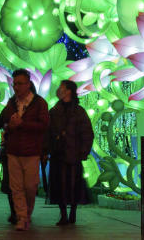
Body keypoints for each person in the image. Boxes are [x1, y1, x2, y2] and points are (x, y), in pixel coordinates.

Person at [0, 69, 49, 231]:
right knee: (16, 187)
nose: (16, 87)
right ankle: (22, 217)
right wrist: (9, 125)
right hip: (13, 150)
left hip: (31, 151)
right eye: (14, 84)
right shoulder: (12, 102)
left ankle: (27, 213)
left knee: (30, 187)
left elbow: (44, 125)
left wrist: (23, 124)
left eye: (20, 83)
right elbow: (3, 121)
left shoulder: (39, 103)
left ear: (28, 84)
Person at [47, 80, 94, 226]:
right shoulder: (54, 111)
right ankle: (63, 214)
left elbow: (87, 133)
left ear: (69, 91)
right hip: (58, 154)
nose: (59, 90)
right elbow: (48, 132)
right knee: (59, 185)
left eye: (62, 88)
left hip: (74, 155)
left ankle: (73, 212)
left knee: (74, 184)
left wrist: (83, 151)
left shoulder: (79, 111)